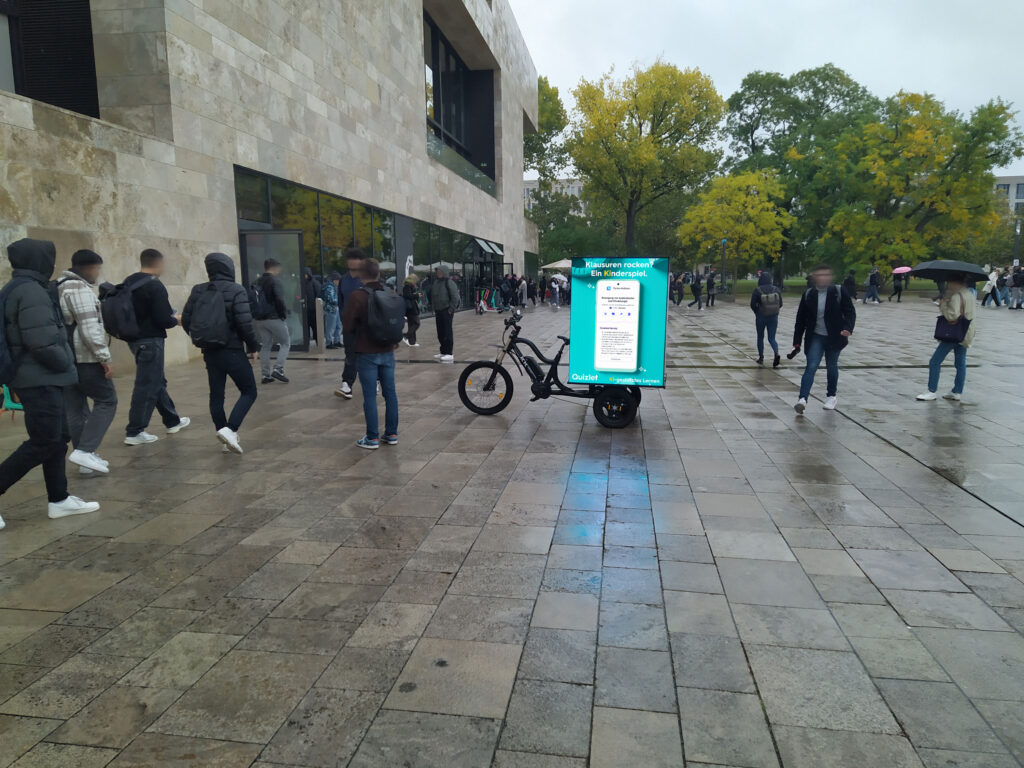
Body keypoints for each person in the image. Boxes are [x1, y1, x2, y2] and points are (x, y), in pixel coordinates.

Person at [0, 239, 100, 530]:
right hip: (40, 378)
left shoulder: (18, 288)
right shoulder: (32, 292)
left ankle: (59, 499)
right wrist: (66, 364)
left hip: (38, 378)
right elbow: (41, 341)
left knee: (57, 439)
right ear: (39, 261)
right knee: (44, 441)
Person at [181, 253, 260, 454]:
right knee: (249, 391)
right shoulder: (236, 290)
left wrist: (200, 337)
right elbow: (245, 323)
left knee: (216, 395)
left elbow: (187, 320)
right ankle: (231, 429)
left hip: (209, 351)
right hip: (232, 350)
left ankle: (223, 436)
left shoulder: (198, 290)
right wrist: (253, 346)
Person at [58, 249, 117, 476]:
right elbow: (89, 328)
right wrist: (104, 357)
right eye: (98, 268)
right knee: (107, 401)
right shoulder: (78, 288)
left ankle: (85, 459)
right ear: (89, 267)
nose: (98, 274)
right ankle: (85, 451)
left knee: (75, 408)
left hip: (66, 358)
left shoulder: (60, 286)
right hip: (85, 358)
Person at [124, 249, 189, 445]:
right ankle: (135, 431)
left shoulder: (129, 281)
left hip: (134, 340)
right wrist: (176, 320)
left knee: (156, 381)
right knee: (147, 385)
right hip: (151, 341)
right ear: (158, 263)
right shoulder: (154, 285)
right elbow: (163, 318)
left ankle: (172, 421)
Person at [342, 258, 399, 449]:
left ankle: (372, 437)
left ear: (360, 275)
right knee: (390, 394)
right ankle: (391, 433)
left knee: (370, 396)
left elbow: (347, 326)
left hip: (366, 351)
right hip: (388, 350)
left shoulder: (357, 296)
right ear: (379, 274)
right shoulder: (389, 292)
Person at [791, 264, 856, 414]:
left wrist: (848, 328)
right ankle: (802, 399)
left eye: (826, 275)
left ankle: (831, 396)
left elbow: (850, 312)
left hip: (835, 336)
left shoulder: (839, 292)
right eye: (819, 275)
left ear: (830, 277)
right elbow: (800, 319)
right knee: (811, 366)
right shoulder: (809, 294)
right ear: (814, 277)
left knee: (831, 365)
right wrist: (797, 341)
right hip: (816, 336)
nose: (823, 278)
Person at [916, 274, 975, 402]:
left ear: (955, 282)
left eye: (949, 282)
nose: (948, 285)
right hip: (965, 333)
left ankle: (931, 391)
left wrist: (942, 306)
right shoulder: (969, 294)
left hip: (953, 334)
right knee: (960, 363)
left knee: (935, 361)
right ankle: (957, 392)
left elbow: (952, 316)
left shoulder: (956, 296)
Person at [254, 258, 290, 385]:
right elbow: (279, 299)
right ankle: (278, 369)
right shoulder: (275, 281)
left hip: (259, 320)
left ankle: (265, 375)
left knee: (266, 345)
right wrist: (283, 314)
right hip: (274, 317)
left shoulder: (257, 281)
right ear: (274, 267)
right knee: (285, 343)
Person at [335, 249, 365, 399]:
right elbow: (340, 301)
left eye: (356, 258)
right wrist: (344, 318)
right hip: (349, 325)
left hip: (366, 325)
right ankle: (347, 383)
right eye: (350, 258)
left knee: (367, 354)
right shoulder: (343, 279)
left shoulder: (366, 278)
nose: (352, 261)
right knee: (350, 354)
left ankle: (375, 380)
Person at [750, 272, 782, 367]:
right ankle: (776, 353)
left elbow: (752, 304)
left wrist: (757, 312)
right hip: (773, 316)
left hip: (761, 316)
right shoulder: (776, 289)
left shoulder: (757, 290)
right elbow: (781, 303)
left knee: (760, 337)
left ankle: (761, 357)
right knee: (772, 338)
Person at [430, 265, 459, 362]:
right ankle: (443, 351)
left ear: (444, 272)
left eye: (440, 272)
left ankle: (449, 353)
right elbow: (433, 296)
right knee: (440, 332)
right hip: (438, 310)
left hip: (446, 310)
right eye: (437, 272)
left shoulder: (449, 282)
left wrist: (451, 309)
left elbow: (455, 297)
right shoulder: (436, 282)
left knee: (447, 331)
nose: (438, 273)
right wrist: (433, 308)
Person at [302, 268, 322, 344]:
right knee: (305, 329)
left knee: (315, 328)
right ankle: (306, 344)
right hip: (305, 310)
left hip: (313, 310)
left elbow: (319, 295)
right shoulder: (301, 284)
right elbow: (297, 295)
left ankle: (318, 342)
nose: (304, 276)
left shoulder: (314, 283)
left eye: (305, 274)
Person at [323, 272, 342, 348]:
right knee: (330, 327)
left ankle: (337, 341)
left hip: (336, 308)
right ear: (335, 280)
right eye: (338, 281)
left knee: (338, 325)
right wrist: (340, 302)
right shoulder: (329, 287)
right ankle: (329, 342)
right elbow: (330, 299)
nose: (339, 282)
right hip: (331, 310)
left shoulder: (334, 287)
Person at [402, 273, 421, 347]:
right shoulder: (407, 286)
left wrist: (417, 295)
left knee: (412, 324)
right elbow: (407, 295)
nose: (416, 282)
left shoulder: (409, 286)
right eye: (415, 281)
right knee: (416, 323)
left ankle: (412, 342)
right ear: (412, 280)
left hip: (411, 308)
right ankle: (406, 335)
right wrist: (417, 295)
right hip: (411, 308)